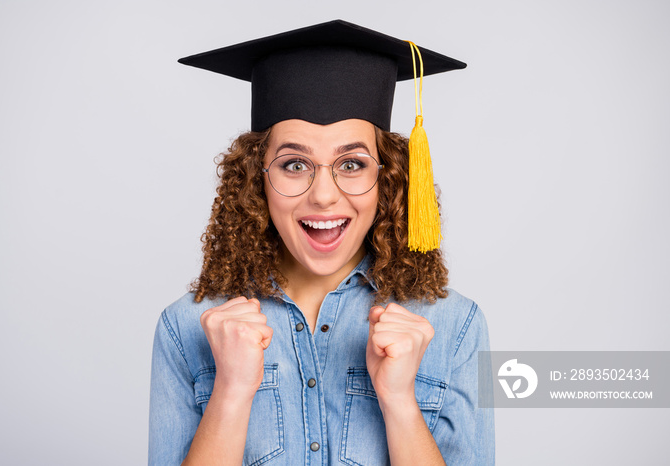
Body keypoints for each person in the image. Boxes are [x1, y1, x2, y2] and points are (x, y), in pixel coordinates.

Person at [149, 20, 495, 466]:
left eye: (352, 164)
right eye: (294, 164)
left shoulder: (455, 325)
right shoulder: (187, 328)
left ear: (388, 179)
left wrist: (400, 405)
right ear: (257, 180)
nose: (324, 194)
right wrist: (231, 394)